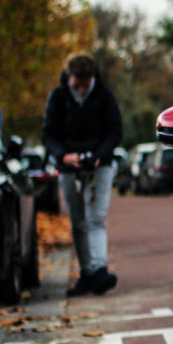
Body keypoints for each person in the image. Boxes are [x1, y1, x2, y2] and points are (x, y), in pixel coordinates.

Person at [42, 53, 123, 296]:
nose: (81, 88)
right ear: (69, 76)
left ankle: (99, 269)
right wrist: (63, 156)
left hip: (100, 165)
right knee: (77, 221)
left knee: (96, 216)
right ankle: (87, 273)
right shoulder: (58, 97)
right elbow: (48, 135)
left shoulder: (104, 95)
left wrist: (100, 154)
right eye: (77, 83)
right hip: (69, 166)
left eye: (85, 83)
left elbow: (115, 130)